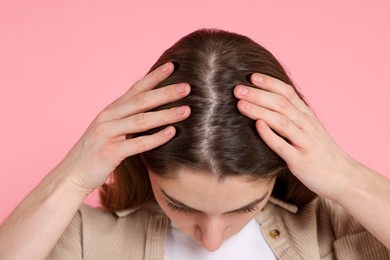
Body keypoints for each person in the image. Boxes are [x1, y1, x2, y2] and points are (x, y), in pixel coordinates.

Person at [0, 29, 389, 260]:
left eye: (246, 207)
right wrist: (71, 176)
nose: (213, 240)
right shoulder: (86, 239)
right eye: (181, 205)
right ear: (145, 163)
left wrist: (346, 176)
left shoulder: (339, 230)